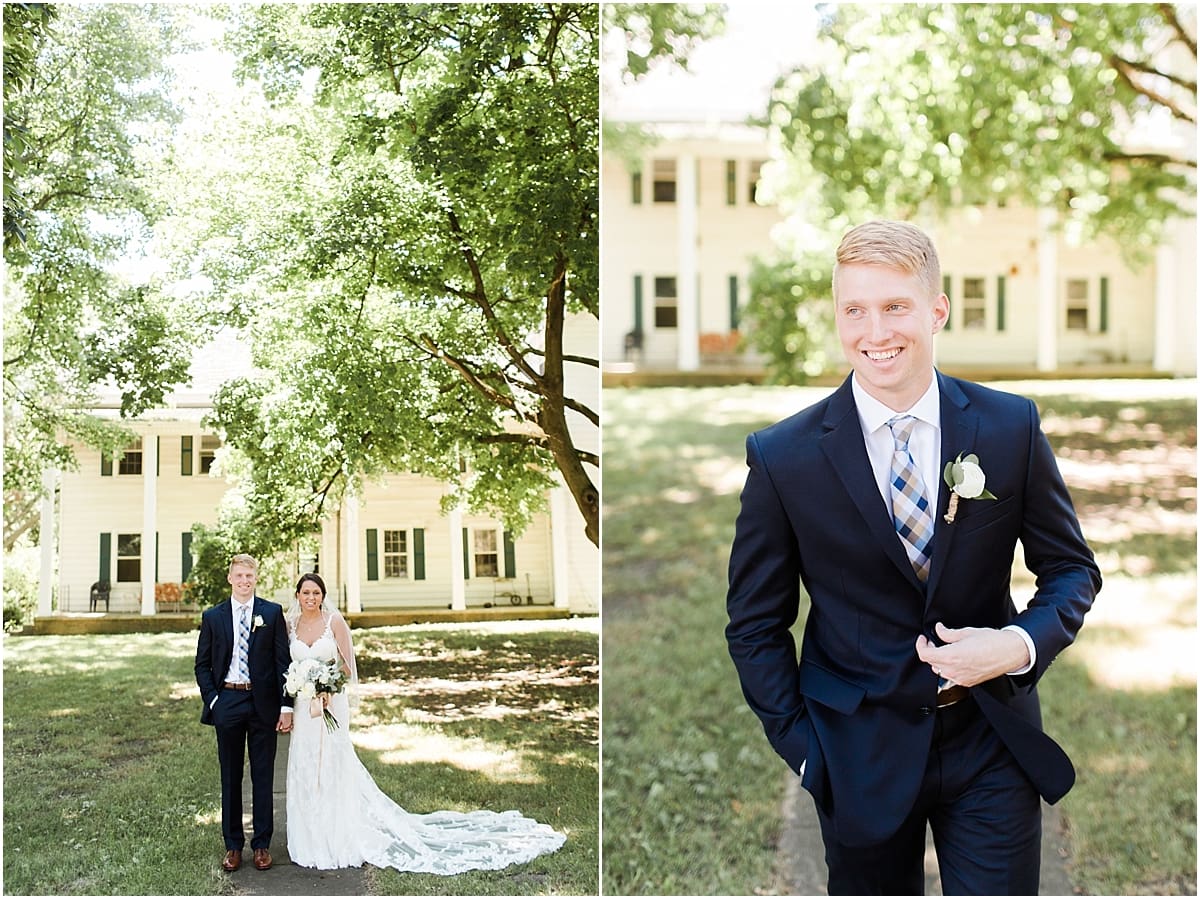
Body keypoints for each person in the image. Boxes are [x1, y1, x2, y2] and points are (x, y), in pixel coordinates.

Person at [725, 220, 1101, 895]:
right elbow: (755, 624)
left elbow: (1072, 569)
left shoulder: (1010, 426)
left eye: (896, 306)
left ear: (937, 310)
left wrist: (1015, 645)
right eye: (855, 309)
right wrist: (808, 753)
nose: (876, 331)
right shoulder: (784, 458)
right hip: (855, 752)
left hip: (991, 738)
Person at [284, 572, 567, 873]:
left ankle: (336, 834)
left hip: (332, 703)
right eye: (306, 593)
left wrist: (328, 686)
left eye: (316, 593)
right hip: (305, 707)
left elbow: (347, 666)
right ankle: (309, 836)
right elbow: (287, 665)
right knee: (305, 763)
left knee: (332, 763)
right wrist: (303, 686)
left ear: (323, 596)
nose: (311, 598)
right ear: (298, 595)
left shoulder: (334, 622)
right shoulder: (291, 625)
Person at [194, 553, 293, 873]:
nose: (244, 581)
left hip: (262, 704)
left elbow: (283, 664)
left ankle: (262, 845)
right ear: (230, 579)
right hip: (228, 702)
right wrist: (213, 701)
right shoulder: (213, 616)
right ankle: (233, 845)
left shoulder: (271, 613)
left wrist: (285, 704)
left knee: (263, 776)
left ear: (256, 578)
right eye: (239, 576)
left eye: (249, 576)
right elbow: (202, 665)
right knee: (231, 776)